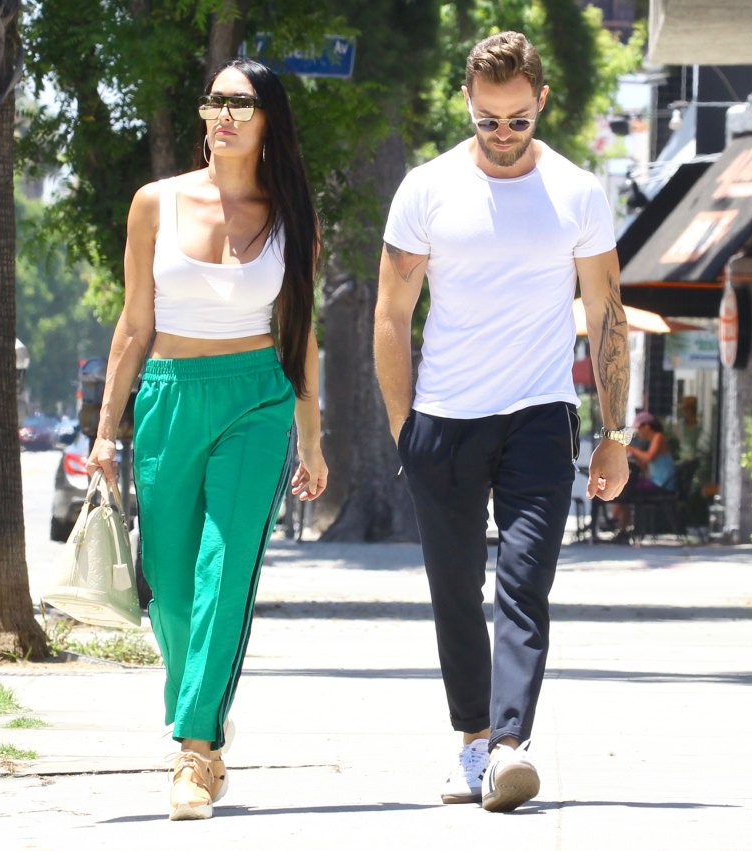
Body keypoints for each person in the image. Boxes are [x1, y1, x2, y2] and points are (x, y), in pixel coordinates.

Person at [374, 31, 630, 812]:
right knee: (454, 586)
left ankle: (512, 746)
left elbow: (608, 316)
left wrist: (613, 432)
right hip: (445, 418)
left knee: (524, 581)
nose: (504, 135)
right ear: (468, 104)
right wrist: (402, 428)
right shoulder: (428, 187)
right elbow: (391, 312)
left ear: (541, 101)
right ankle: (473, 742)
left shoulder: (579, 192)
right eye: (489, 120)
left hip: (541, 417)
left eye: (517, 119)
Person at [86, 57, 327, 821]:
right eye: (214, 100)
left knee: (225, 570)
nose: (222, 114)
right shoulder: (155, 203)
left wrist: (313, 441)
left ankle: (193, 750)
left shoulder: (291, 212)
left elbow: (302, 335)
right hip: (166, 398)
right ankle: (209, 732)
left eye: (241, 103)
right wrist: (102, 431)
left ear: (267, 121)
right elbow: (133, 322)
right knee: (171, 580)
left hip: (258, 399)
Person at [612, 412, 676, 540]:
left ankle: (614, 520)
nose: (639, 433)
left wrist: (630, 449)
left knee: (625, 490)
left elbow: (648, 457)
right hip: (656, 482)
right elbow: (645, 465)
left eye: (639, 429)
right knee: (625, 490)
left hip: (661, 484)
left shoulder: (658, 437)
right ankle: (621, 527)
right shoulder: (651, 441)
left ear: (647, 427)